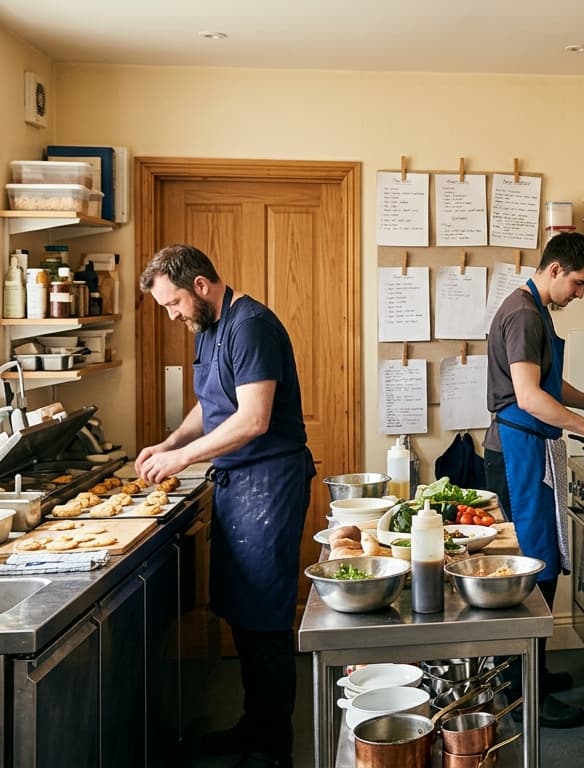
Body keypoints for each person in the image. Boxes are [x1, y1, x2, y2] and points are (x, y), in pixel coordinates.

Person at [137, 244, 313, 768]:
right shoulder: (209, 327)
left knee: (266, 618)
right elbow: (214, 404)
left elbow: (253, 418)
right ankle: (252, 725)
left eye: (172, 305)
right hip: (240, 483)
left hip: (270, 482)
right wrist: (171, 443)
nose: (171, 316)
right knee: (241, 613)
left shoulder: (251, 324)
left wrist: (184, 459)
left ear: (199, 286)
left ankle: (274, 746)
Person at [484, 232, 584, 729]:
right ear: (554, 270)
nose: (580, 294)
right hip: (517, 452)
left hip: (532, 448)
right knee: (526, 573)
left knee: (540, 565)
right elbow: (528, 396)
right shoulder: (524, 313)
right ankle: (522, 692)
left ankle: (535, 674)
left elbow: (549, 383)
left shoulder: (535, 309)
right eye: (579, 283)